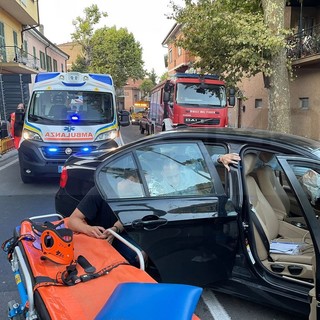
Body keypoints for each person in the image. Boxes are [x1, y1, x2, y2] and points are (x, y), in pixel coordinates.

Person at [68, 185, 144, 267]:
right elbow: (72, 220)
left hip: (123, 231)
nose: (136, 185)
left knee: (144, 255)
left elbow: (128, 214)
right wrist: (88, 229)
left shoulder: (139, 192)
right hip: (100, 237)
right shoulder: (98, 192)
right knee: (135, 256)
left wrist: (115, 229)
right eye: (134, 180)